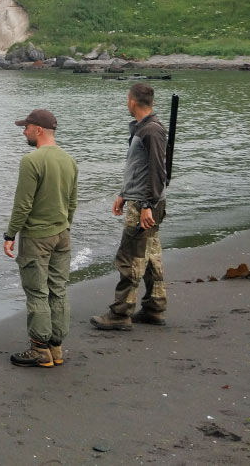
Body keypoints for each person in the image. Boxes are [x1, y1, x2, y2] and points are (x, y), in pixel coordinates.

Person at [4, 109, 78, 368]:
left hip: (37, 236)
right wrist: (64, 225)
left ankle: (39, 349)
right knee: (58, 290)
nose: (23, 131)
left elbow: (22, 205)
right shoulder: (69, 160)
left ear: (38, 130)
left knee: (36, 291)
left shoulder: (31, 160)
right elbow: (72, 202)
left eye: (26, 127)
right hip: (62, 234)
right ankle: (56, 348)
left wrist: (10, 234)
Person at [91, 83, 168, 330]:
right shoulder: (144, 128)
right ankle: (154, 307)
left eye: (127, 99)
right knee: (151, 255)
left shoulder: (151, 130)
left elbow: (158, 170)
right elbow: (139, 167)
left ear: (132, 102)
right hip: (142, 199)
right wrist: (124, 194)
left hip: (145, 203)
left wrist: (146, 204)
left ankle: (120, 313)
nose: (127, 103)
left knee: (130, 257)